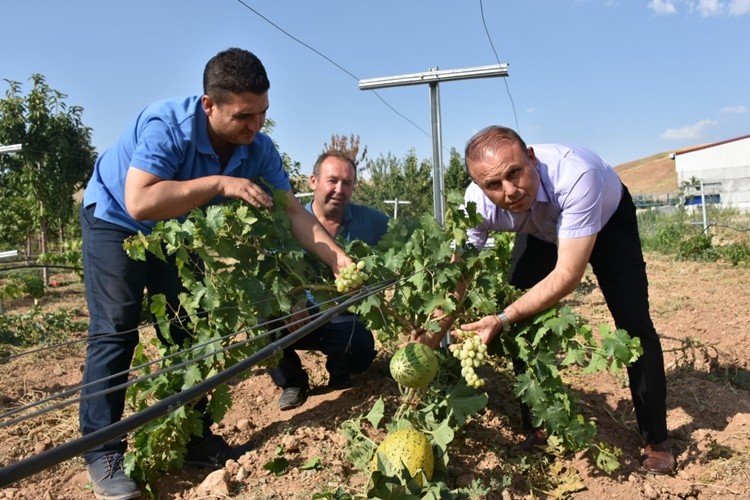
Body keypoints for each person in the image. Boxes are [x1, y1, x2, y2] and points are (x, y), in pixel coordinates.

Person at [79, 48, 352, 500]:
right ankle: (102, 452)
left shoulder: (258, 150)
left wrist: (337, 259)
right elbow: (140, 201)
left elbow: (292, 213)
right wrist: (220, 184)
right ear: (209, 105)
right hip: (116, 220)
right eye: (244, 116)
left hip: (172, 231)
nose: (256, 126)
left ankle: (193, 438)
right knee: (116, 328)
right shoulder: (166, 126)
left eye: (262, 113)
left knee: (188, 333)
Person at [417, 125, 675, 475]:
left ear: (532, 159)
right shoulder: (477, 206)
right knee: (522, 317)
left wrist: (502, 317)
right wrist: (432, 331)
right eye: (493, 184)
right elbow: (458, 276)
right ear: (480, 187)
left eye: (515, 173)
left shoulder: (575, 175)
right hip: (539, 230)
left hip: (608, 220)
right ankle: (538, 426)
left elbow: (568, 275)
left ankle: (656, 440)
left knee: (633, 324)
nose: (509, 191)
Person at [267, 151, 389, 411]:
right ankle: (294, 382)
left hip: (342, 318)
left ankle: (341, 371)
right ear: (313, 181)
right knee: (262, 325)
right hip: (298, 318)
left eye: (347, 183)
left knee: (359, 342)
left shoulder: (372, 221)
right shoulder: (286, 223)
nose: (339, 189)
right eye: (332, 181)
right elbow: (270, 272)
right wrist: (292, 302)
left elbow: (405, 240)